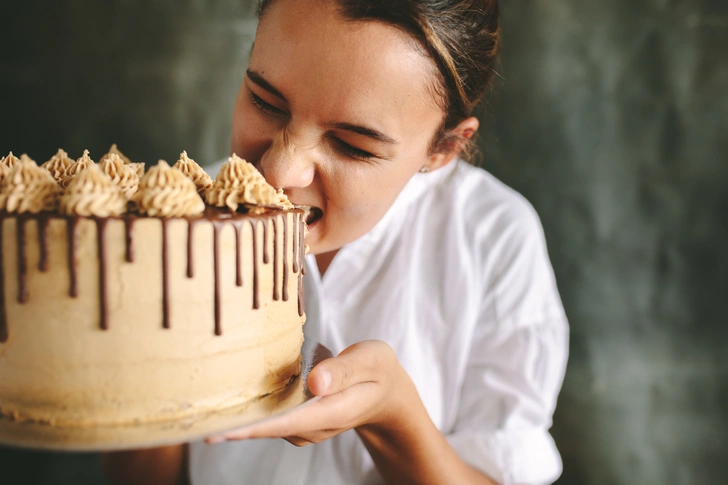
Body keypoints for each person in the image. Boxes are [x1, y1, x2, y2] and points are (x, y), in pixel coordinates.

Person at [101, 0, 569, 484]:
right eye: (265, 101)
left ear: (443, 148)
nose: (280, 172)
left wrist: (392, 414)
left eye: (353, 146)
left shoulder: (491, 241)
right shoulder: (181, 220)